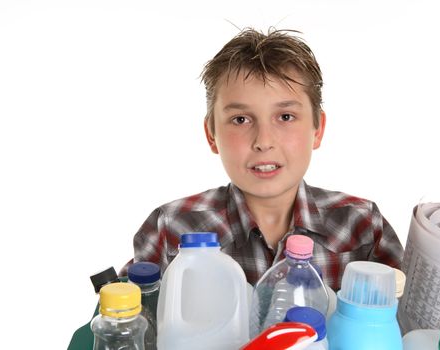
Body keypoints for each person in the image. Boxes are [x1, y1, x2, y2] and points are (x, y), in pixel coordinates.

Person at [120, 28, 403, 291]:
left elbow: (410, 326)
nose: (264, 141)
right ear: (211, 134)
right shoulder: (172, 229)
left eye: (285, 117)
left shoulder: (362, 225)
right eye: (240, 119)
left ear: (318, 131)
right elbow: (128, 326)